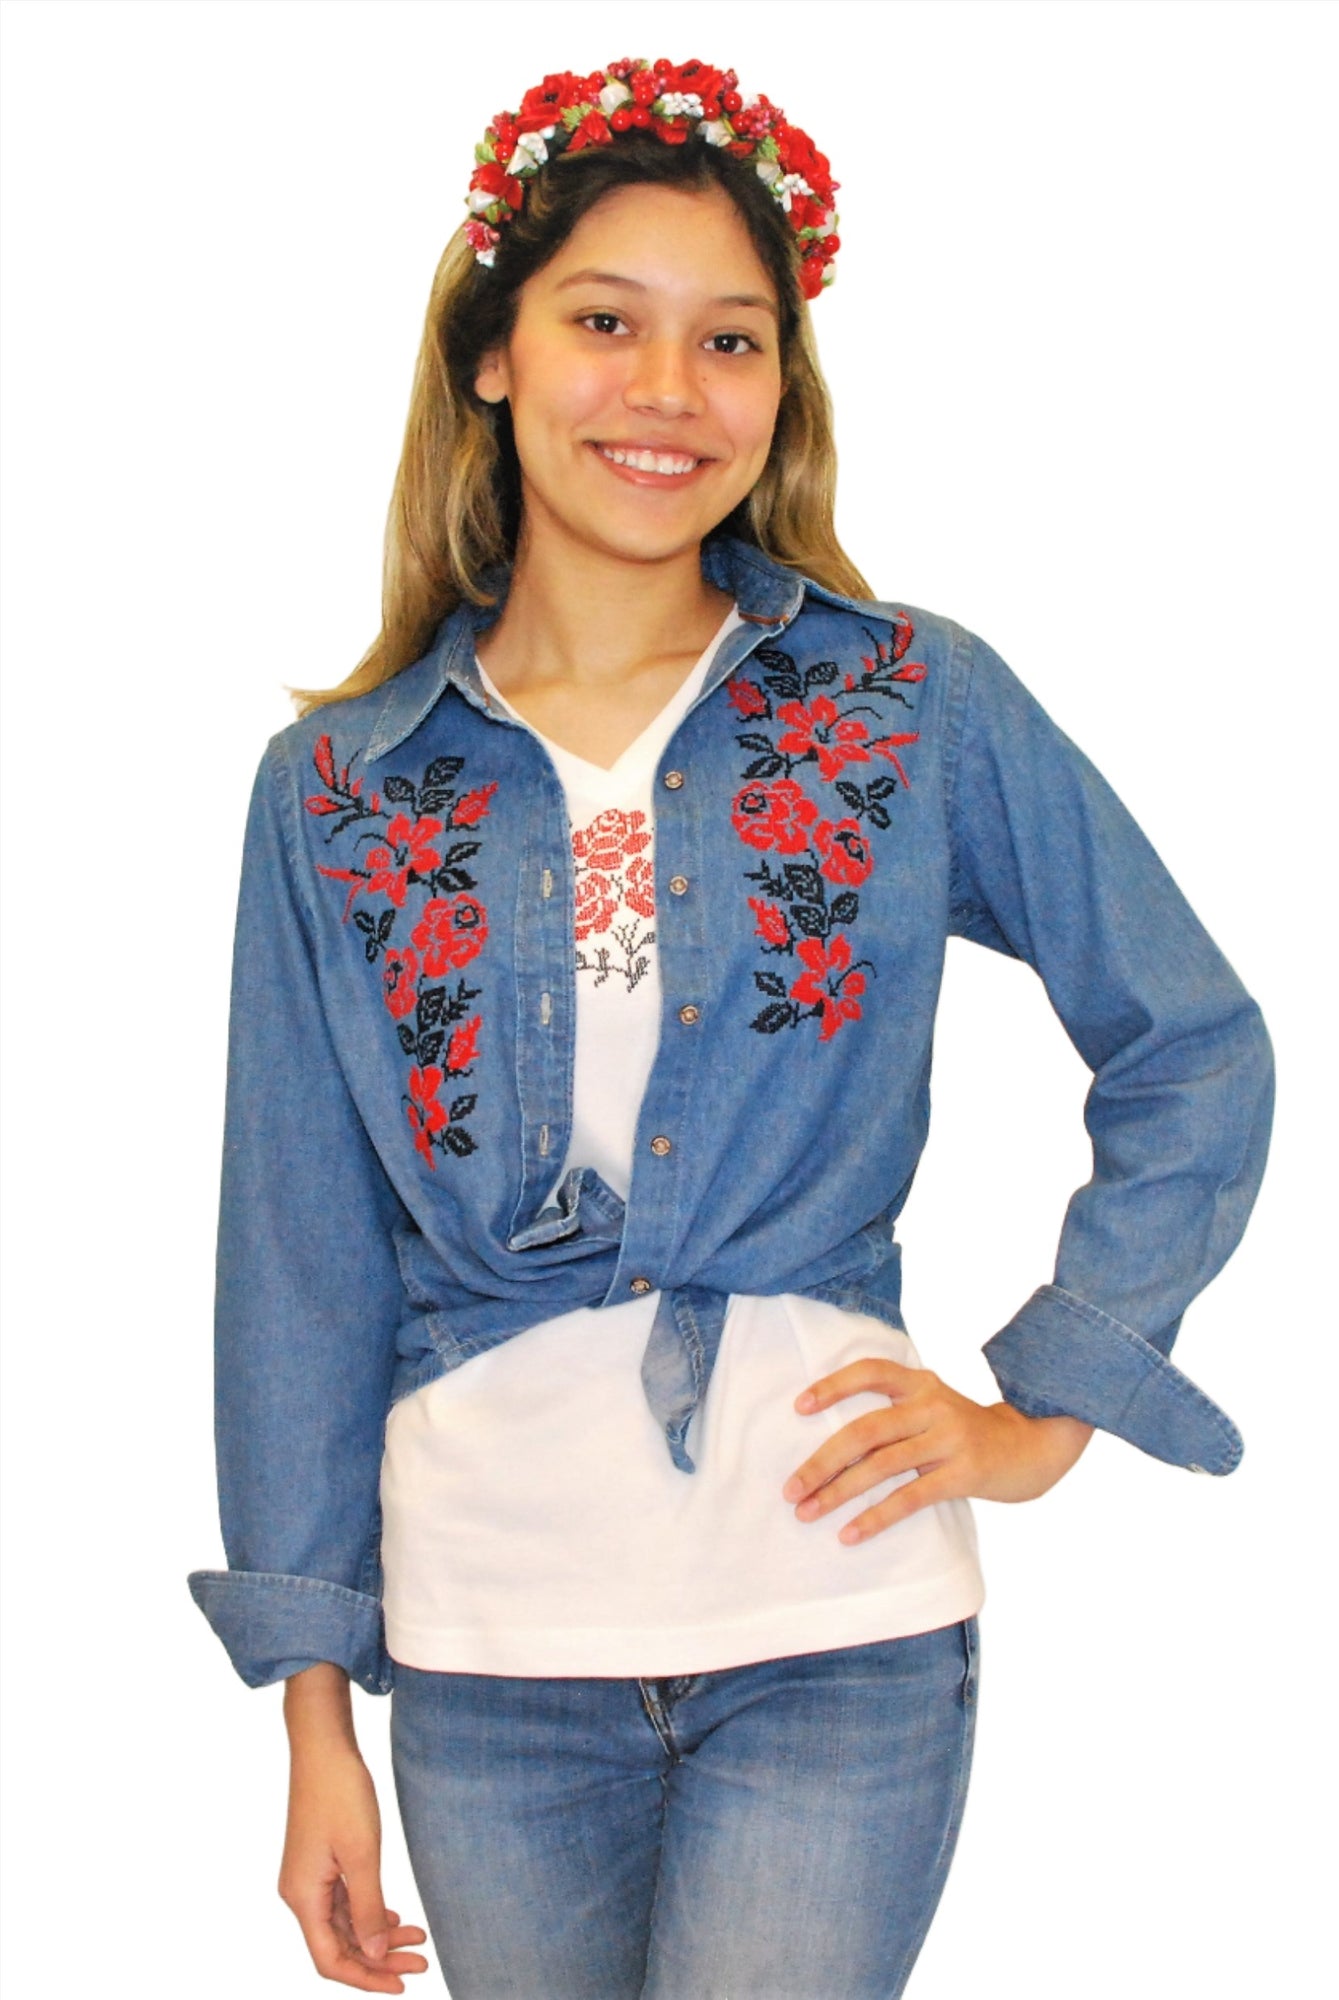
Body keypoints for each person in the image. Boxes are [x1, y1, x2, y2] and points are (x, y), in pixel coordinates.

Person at [186, 54, 1274, 2000]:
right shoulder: (338, 790)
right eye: (606, 323)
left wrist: (1046, 1409)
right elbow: (298, 1255)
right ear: (494, 353)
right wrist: (311, 1717)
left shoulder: (905, 704)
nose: (668, 391)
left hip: (832, 1628)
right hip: (488, 1657)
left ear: (783, 385)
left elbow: (1190, 1041)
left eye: (731, 339)